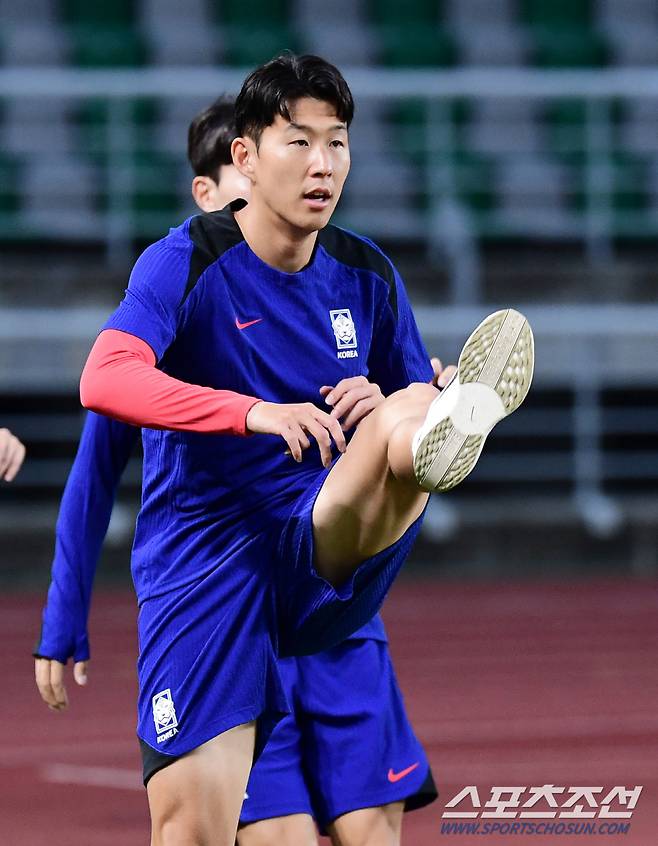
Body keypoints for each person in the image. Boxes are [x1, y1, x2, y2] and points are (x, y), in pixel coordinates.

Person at [66, 54, 534, 845]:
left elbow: (390, 391)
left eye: (338, 143)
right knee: (196, 832)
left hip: (322, 544)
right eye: (299, 142)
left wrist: (395, 399)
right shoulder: (186, 260)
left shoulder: (367, 275)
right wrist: (255, 414)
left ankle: (447, 426)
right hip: (208, 566)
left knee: (402, 409)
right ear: (243, 157)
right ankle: (432, 423)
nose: (323, 164)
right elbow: (103, 380)